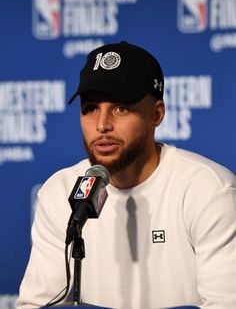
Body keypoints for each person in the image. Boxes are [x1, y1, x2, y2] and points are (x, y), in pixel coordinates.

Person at [16, 41, 236, 309]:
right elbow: (37, 305)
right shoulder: (61, 192)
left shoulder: (207, 190)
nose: (102, 125)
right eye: (90, 109)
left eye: (121, 108)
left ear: (156, 114)